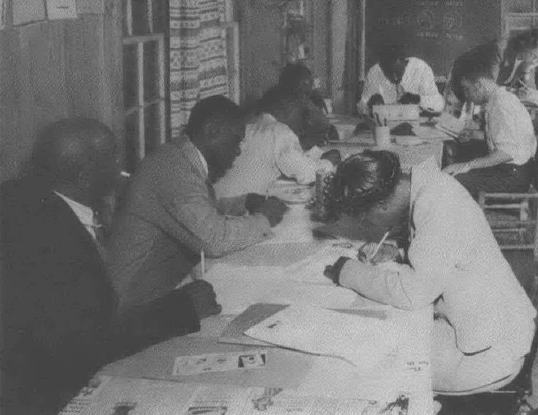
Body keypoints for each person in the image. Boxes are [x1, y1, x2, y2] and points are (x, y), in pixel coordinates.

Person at [0, 119, 221, 415]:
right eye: (113, 156)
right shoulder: (53, 239)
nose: (121, 166)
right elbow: (85, 346)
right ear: (84, 176)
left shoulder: (21, 196)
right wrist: (183, 309)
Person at [323, 151, 536, 394]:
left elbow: (412, 293)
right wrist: (398, 254)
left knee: (363, 367)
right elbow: (441, 253)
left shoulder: (438, 209)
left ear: (382, 205)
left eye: (368, 222)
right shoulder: (431, 187)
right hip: (488, 327)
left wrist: (349, 272)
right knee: (377, 339)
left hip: (489, 355)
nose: (372, 228)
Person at [107, 96, 287, 309]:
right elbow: (214, 239)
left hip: (157, 288)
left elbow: (194, 211)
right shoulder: (174, 170)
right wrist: (263, 219)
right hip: (135, 305)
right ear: (212, 131)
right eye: (236, 140)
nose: (238, 151)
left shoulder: (177, 157)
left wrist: (243, 202)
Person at [214, 86, 339, 198]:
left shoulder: (248, 124)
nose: (302, 123)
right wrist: (329, 161)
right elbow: (305, 173)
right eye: (300, 114)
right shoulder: (279, 131)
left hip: (218, 199)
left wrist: (313, 154)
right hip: (237, 208)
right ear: (288, 109)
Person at [442, 55, 537, 199]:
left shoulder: (502, 105)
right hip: (512, 168)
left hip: (513, 177)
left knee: (451, 180)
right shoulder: (499, 98)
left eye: (467, 89)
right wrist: (475, 135)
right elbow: (506, 138)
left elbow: (507, 152)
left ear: (479, 84)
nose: (467, 96)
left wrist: (468, 165)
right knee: (455, 167)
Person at [444, 30, 538, 113]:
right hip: (463, 80)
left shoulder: (530, 61)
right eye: (533, 55)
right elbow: (489, 88)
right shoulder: (500, 49)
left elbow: (530, 94)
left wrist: (527, 74)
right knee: (455, 125)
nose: (535, 61)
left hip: (482, 93)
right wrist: (513, 92)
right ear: (524, 46)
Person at [357, 42, 444, 115]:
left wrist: (418, 99)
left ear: (405, 63)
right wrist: (369, 104)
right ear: (381, 66)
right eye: (389, 73)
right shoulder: (375, 72)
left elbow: (439, 104)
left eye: (398, 72)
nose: (394, 77)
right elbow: (361, 107)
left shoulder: (420, 69)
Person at [275, 63, 336, 150]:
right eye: (299, 91)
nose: (303, 97)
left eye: (306, 92)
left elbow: (324, 125)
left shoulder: (310, 103)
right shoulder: (277, 115)